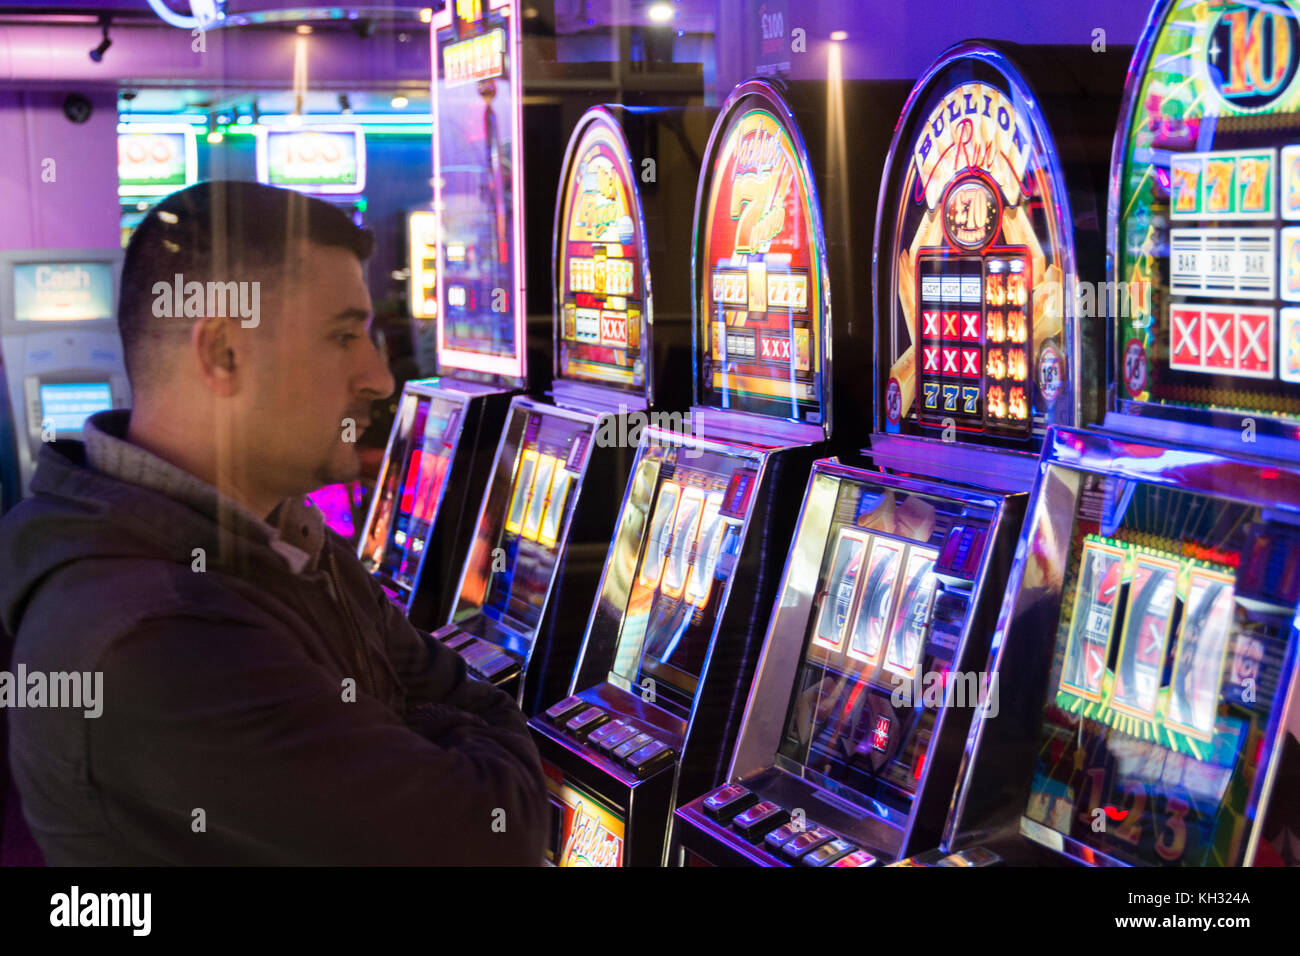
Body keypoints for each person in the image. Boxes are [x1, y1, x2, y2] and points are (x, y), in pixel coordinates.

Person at [0, 181, 547, 865]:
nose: (380, 377)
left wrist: (420, 732)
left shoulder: (283, 537)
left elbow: (461, 706)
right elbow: (490, 838)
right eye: (344, 336)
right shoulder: (155, 634)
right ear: (224, 352)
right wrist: (432, 734)